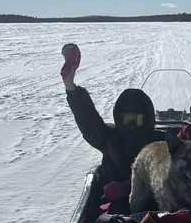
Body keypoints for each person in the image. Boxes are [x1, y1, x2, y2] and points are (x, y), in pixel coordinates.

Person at [60, 43, 165, 213]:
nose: (132, 125)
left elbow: (189, 151)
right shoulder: (109, 137)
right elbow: (88, 120)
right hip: (116, 208)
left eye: (137, 119)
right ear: (118, 118)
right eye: (127, 119)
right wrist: (70, 87)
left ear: (147, 120)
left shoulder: (160, 141)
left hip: (154, 206)